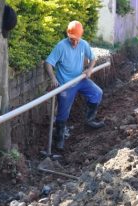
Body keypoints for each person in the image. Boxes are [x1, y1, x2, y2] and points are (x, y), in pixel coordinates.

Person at [45, 20, 105, 150]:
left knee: (97, 93)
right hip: (66, 84)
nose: (75, 42)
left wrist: (89, 69)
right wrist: (53, 78)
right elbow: (48, 63)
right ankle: (59, 137)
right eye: (72, 39)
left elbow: (93, 58)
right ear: (68, 34)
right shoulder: (61, 46)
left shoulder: (83, 44)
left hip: (80, 79)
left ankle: (89, 120)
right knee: (63, 113)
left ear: (81, 36)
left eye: (77, 39)